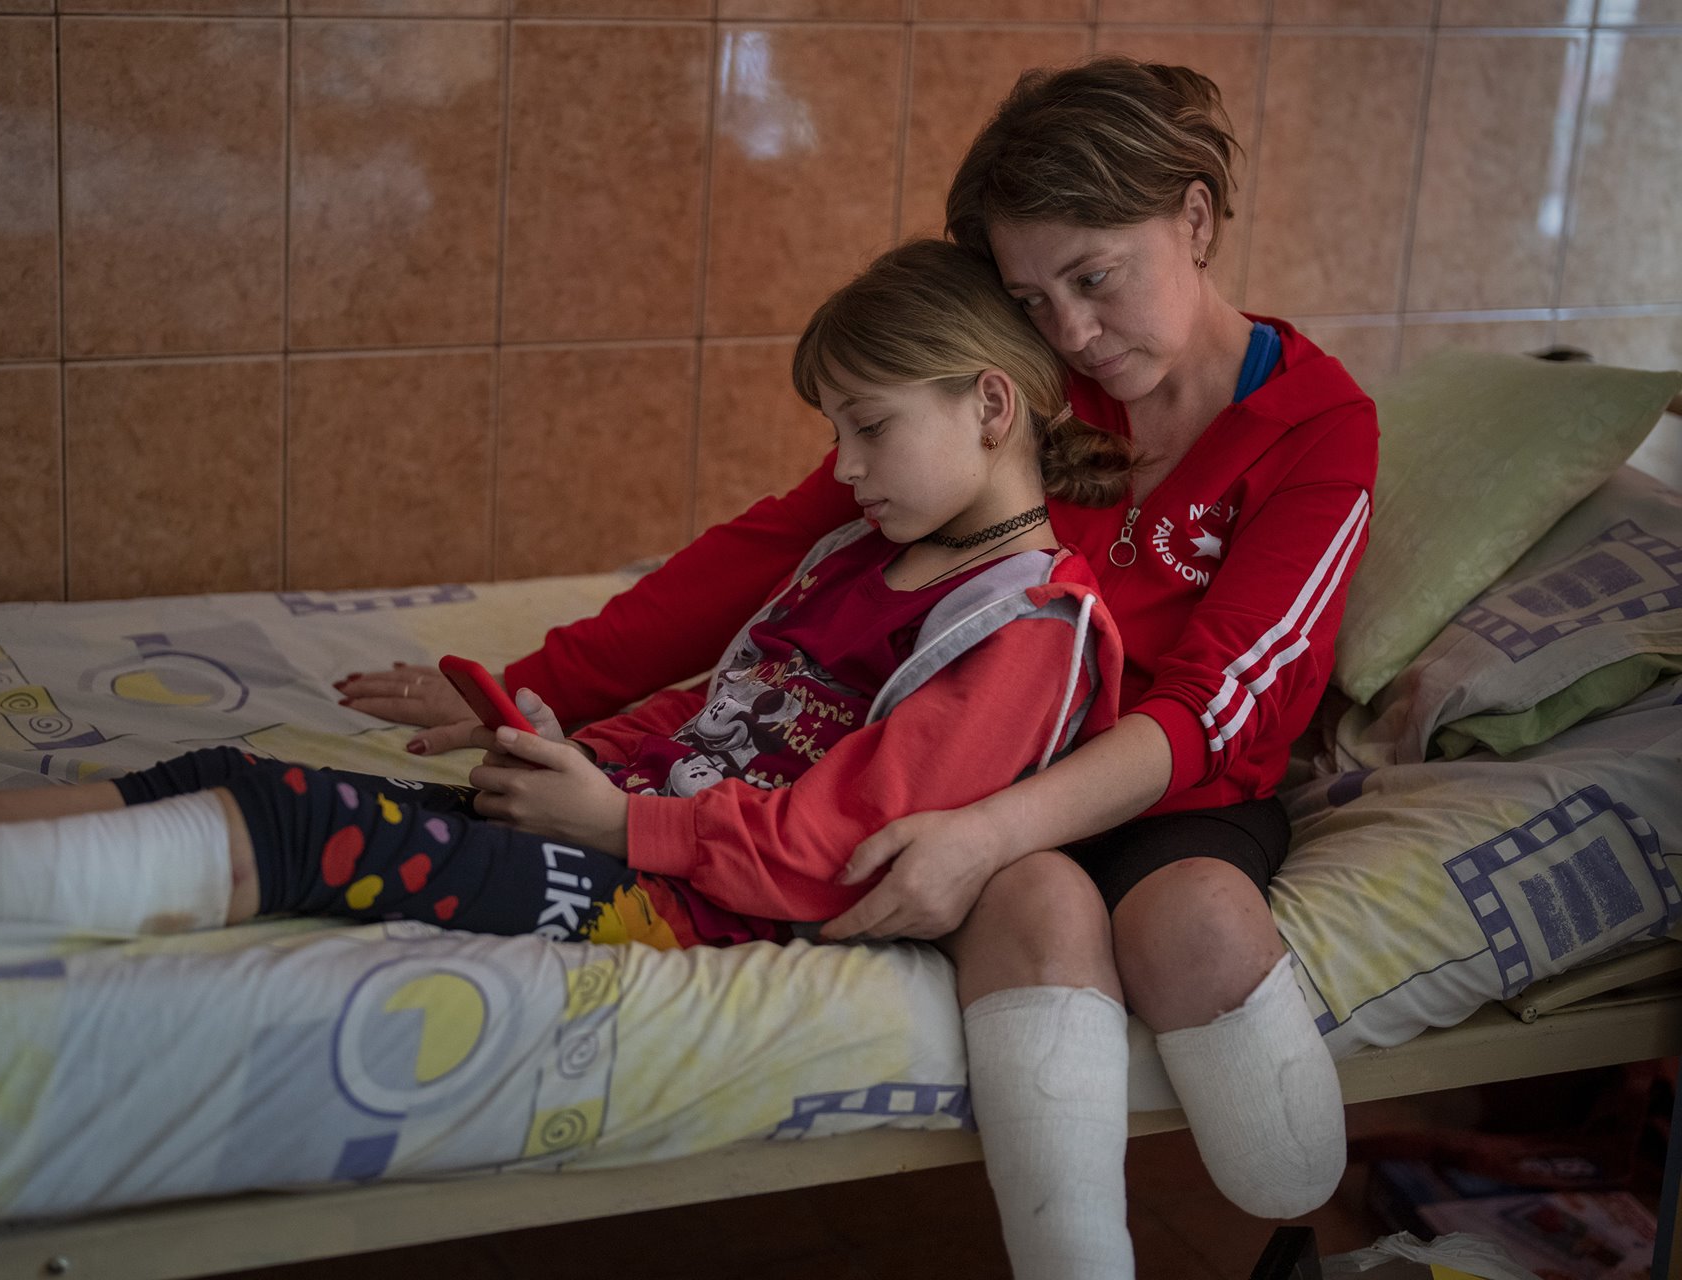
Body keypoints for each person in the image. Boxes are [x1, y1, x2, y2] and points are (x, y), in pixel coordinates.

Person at [348, 57, 1380, 1279]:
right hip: (943, 751)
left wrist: (988, 829)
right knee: (1037, 903)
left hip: (1163, 792)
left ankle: (1308, 1214)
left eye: (1096, 279)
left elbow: (1215, 708)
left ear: (1196, 219)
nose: (1071, 332)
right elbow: (783, 545)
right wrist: (539, 688)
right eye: (1031, 297)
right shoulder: (1033, 387)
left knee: (1201, 927)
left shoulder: (1319, 427)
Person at [0, 239, 1130, 968]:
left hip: (695, 904)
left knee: (314, 828)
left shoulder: (1025, 629)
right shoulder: (864, 555)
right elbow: (716, 714)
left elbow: (837, 843)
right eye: (836, 433)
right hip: (630, 830)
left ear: (990, 406)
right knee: (247, 768)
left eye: (869, 428)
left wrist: (622, 828)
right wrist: (558, 752)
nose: (842, 469)